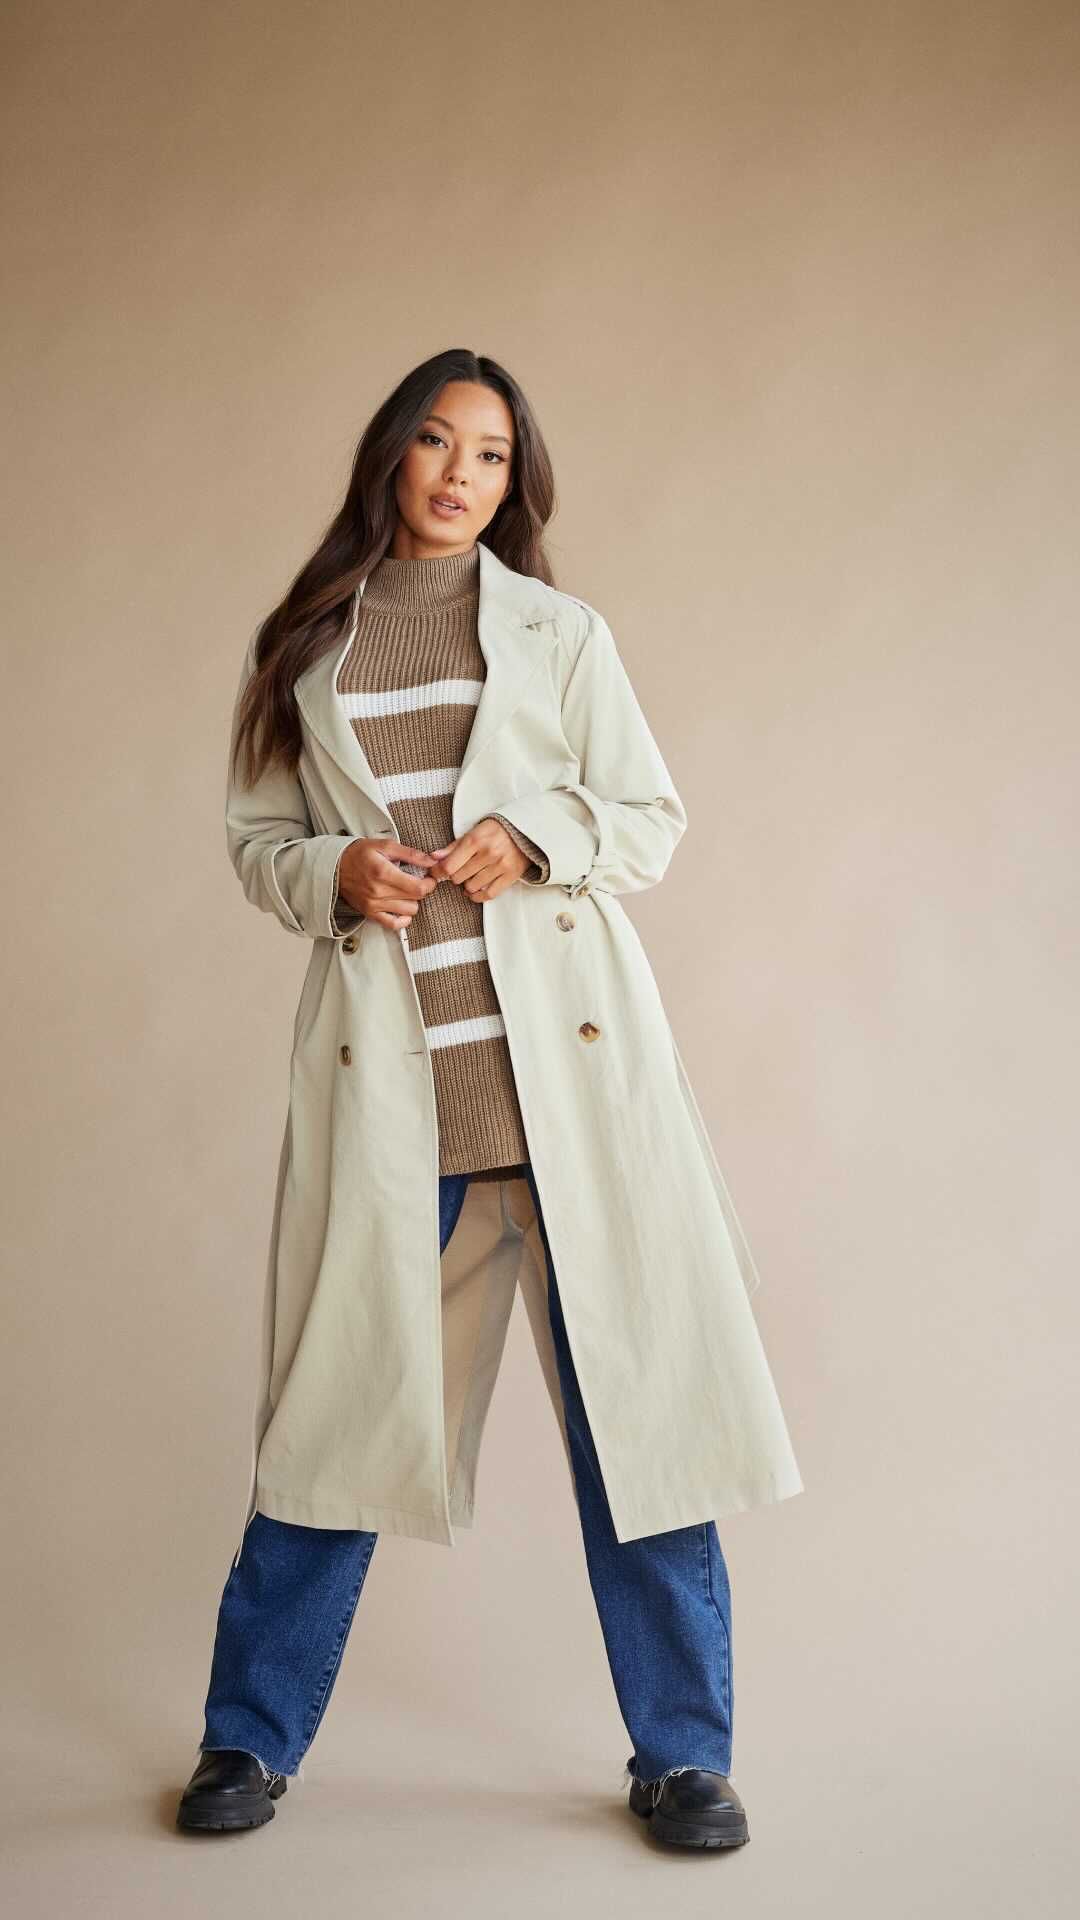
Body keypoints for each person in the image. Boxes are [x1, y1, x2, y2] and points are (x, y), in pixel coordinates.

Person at [177, 347, 803, 1849]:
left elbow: (648, 816)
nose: (461, 475)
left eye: (493, 455)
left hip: (570, 1101)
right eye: (437, 443)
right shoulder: (301, 642)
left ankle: (684, 1757)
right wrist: (333, 868)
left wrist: (535, 836)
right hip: (401, 1106)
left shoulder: (560, 633)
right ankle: (247, 1742)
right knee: (332, 1423)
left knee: (639, 1440)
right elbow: (257, 842)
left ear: (516, 482)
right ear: (390, 453)